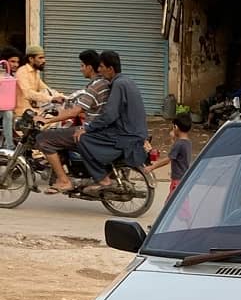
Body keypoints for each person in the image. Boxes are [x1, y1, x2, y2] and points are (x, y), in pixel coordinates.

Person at [34, 50, 111, 194]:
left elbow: (75, 111)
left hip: (91, 130)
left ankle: (64, 180)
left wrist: (47, 120)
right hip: (98, 128)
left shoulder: (95, 86)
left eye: (82, 65)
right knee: (62, 134)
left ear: (89, 67)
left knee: (43, 138)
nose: (80, 69)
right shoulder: (103, 83)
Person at [75, 50, 148, 194]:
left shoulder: (118, 85)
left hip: (125, 134)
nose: (99, 70)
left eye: (102, 67)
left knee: (82, 139)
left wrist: (88, 129)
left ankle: (102, 179)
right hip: (136, 131)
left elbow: (110, 115)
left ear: (110, 69)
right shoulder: (127, 81)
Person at [144, 113, 192, 200]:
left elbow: (168, 159)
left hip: (177, 181)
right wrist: (173, 139)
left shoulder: (179, 144)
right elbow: (177, 154)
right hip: (183, 178)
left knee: (171, 205)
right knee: (180, 204)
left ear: (176, 127)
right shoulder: (187, 142)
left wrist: (152, 167)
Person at [15, 45, 64, 118]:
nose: (44, 61)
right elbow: (29, 94)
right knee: (53, 119)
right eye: (40, 58)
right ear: (31, 59)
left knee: (60, 115)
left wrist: (63, 97)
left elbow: (45, 89)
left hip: (35, 109)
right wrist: (51, 99)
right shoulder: (22, 72)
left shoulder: (35, 72)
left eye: (44, 58)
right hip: (24, 111)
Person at [0, 46, 22, 149]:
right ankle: (9, 145)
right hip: (4, 109)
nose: (15, 65)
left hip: (7, 106)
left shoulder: (13, 76)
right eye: (12, 61)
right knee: (8, 114)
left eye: (17, 62)